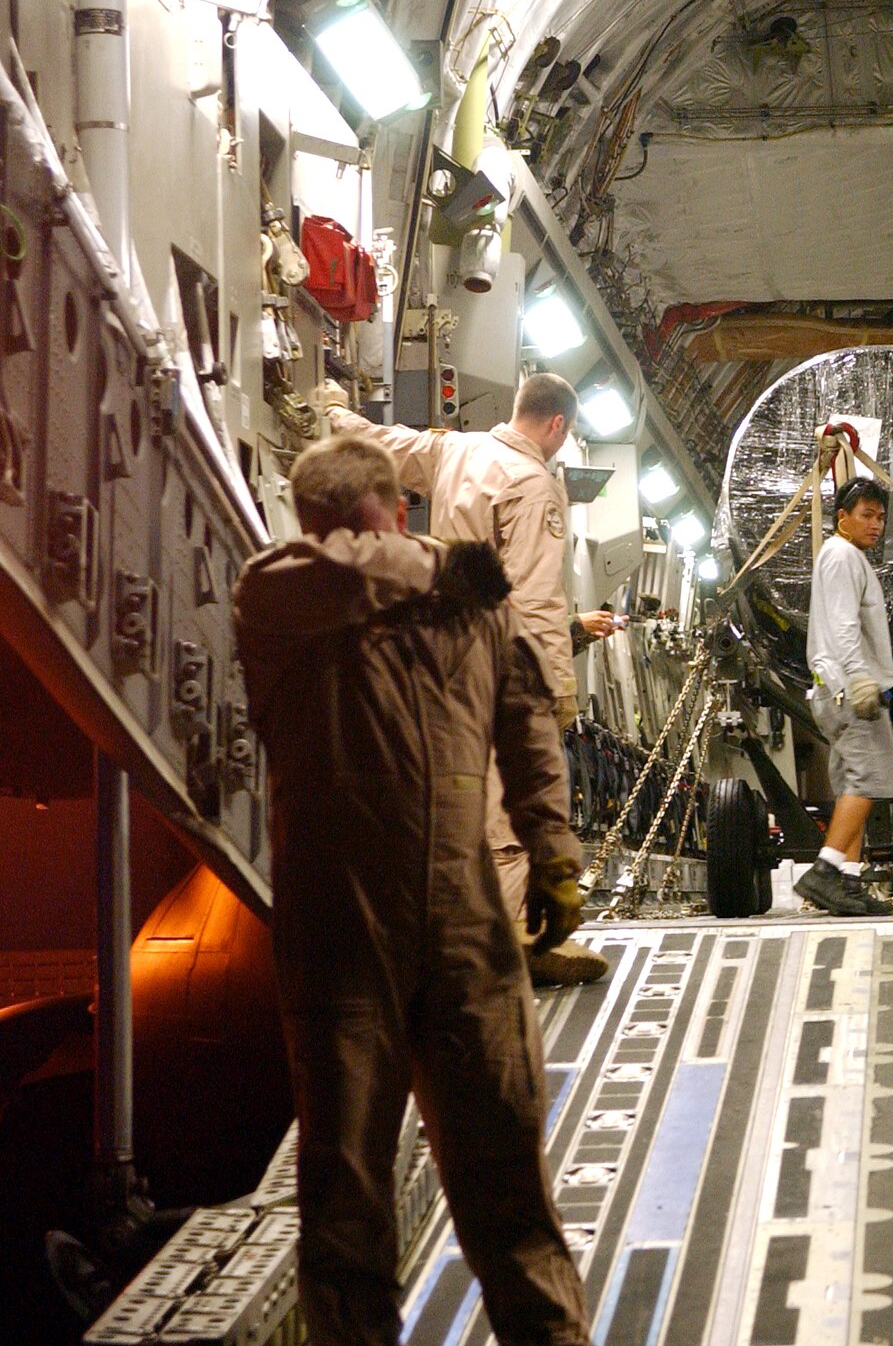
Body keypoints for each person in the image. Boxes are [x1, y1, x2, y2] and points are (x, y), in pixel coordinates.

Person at [232, 434, 589, 1346]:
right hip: (434, 930)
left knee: (363, 1186)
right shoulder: (285, 588)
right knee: (487, 1185)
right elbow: (532, 733)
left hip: (345, 932)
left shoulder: (302, 605)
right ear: (396, 512)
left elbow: (524, 726)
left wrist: (552, 850)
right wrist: (447, 561)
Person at [318, 374, 608, 986]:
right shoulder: (532, 485)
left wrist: (335, 413)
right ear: (558, 425)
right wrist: (554, 686)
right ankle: (505, 957)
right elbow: (532, 596)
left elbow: (385, 446)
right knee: (503, 810)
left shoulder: (459, 450)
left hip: (435, 654)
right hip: (495, 664)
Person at [797, 477, 893, 916]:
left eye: (880, 517)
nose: (875, 524)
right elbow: (842, 625)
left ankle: (848, 883)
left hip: (834, 690)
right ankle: (824, 871)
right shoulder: (840, 556)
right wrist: (859, 678)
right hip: (847, 690)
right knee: (871, 777)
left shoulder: (847, 557)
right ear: (843, 517)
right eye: (866, 515)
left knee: (853, 786)